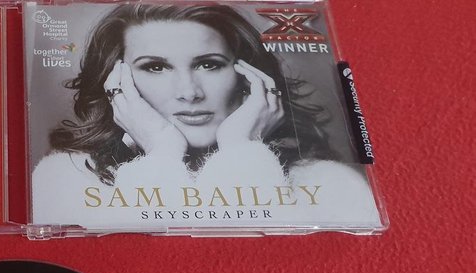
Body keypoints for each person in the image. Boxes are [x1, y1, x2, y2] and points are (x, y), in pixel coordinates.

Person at [31, 4, 379, 230]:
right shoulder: (66, 179)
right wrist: (161, 152)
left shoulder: (331, 185)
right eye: (155, 67)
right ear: (116, 83)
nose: (189, 92)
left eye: (209, 65)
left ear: (249, 77)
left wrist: (242, 149)